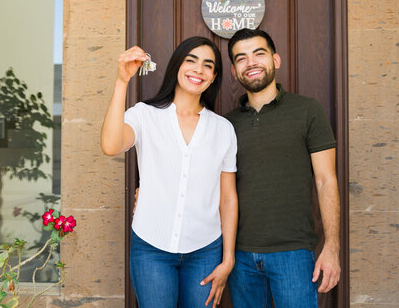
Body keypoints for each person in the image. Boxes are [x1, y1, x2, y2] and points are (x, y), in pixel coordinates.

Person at [100, 37, 238, 308]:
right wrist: (121, 82)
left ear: (214, 77)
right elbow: (110, 145)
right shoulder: (144, 115)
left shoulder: (223, 129)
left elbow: (228, 198)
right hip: (151, 247)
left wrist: (228, 258)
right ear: (177, 65)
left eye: (208, 65)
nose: (198, 70)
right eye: (191, 61)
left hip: (206, 250)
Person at [224, 28, 341, 308]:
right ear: (233, 70)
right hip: (238, 256)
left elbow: (326, 180)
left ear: (276, 60)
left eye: (259, 54)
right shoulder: (224, 125)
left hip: (294, 254)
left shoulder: (307, 111)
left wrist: (332, 246)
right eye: (241, 58)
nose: (250, 62)